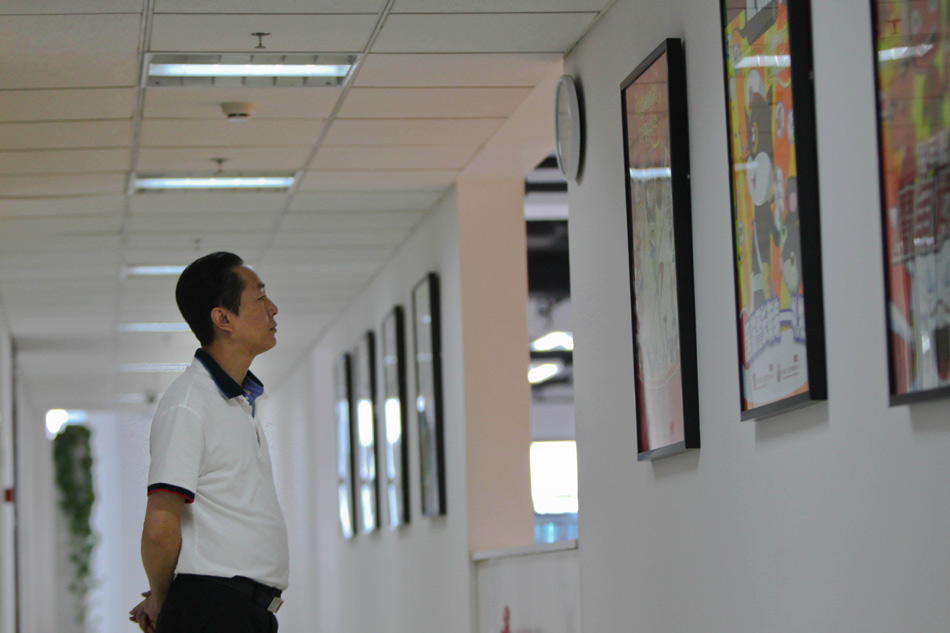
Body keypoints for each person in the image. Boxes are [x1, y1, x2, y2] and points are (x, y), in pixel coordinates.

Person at [129, 252, 288, 633]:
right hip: (213, 613)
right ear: (223, 318)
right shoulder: (189, 404)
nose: (273, 309)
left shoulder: (236, 402)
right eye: (260, 298)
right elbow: (159, 526)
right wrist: (165, 603)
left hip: (238, 612)